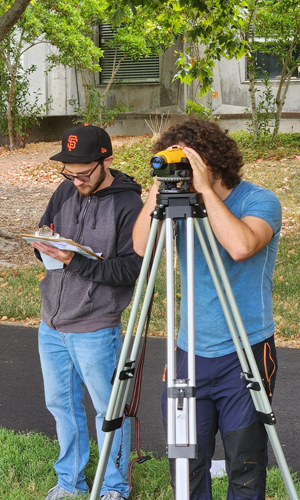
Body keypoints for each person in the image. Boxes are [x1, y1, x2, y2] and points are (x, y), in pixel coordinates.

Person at [132, 117, 282, 500]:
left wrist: (204, 191)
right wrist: (158, 186)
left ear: (212, 163)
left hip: (244, 350)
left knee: (244, 462)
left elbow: (241, 246)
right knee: (186, 462)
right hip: (188, 350)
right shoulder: (179, 204)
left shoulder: (258, 200)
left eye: (189, 162)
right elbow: (141, 248)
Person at [32, 124, 143, 500]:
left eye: (83, 173)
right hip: (52, 323)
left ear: (106, 160)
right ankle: (70, 482)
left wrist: (73, 261)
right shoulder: (66, 189)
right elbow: (45, 230)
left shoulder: (129, 205)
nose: (75, 180)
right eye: (69, 171)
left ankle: (115, 487)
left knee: (107, 411)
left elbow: (132, 269)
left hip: (96, 327)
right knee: (61, 406)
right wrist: (42, 246)